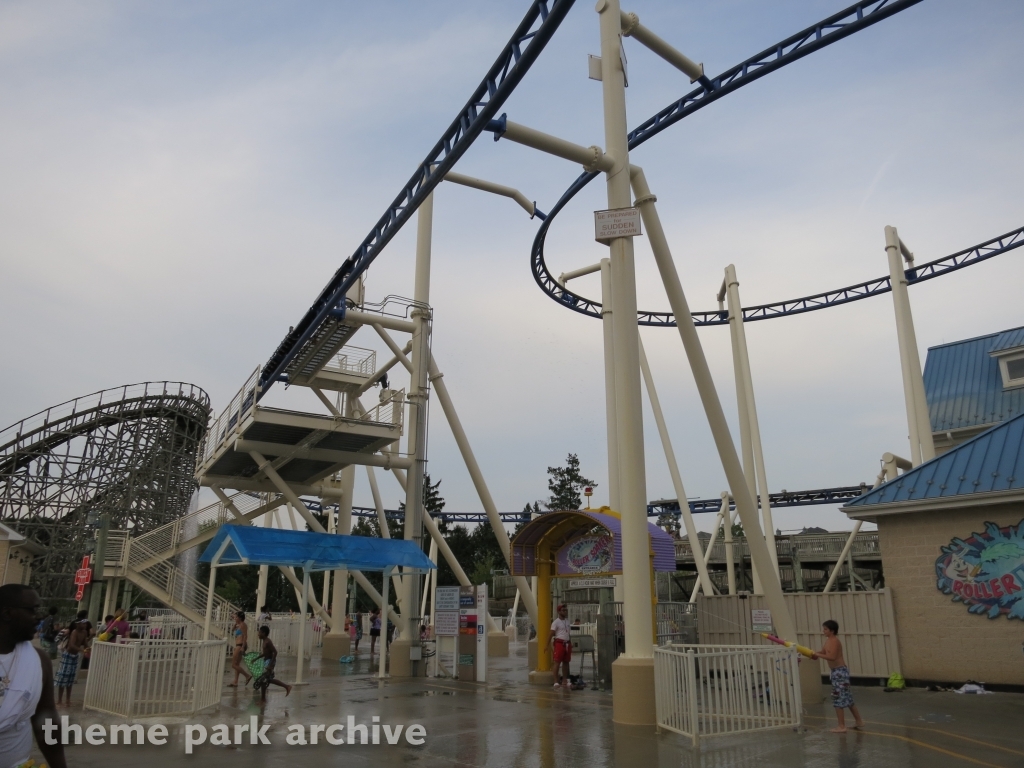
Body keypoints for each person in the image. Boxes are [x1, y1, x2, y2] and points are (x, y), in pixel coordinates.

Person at [0, 584, 67, 768]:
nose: (38, 617)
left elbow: (46, 722)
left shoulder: (39, 660)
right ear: (7, 613)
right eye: (32, 610)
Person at [812, 619, 864, 733]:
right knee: (848, 698)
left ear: (832, 630)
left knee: (838, 698)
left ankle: (841, 726)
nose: (823, 631)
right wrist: (814, 653)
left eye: (825, 629)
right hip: (836, 672)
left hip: (840, 672)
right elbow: (823, 652)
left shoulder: (834, 641)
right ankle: (859, 721)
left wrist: (819, 655)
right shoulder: (828, 641)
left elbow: (832, 657)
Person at [54, 617, 87, 706]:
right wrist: (81, 650)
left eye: (85, 623)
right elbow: (71, 645)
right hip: (67, 656)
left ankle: (68, 699)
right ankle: (60, 700)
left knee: (70, 679)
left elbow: (85, 643)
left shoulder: (84, 633)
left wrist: (88, 647)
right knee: (62, 678)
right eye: (83, 623)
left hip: (75, 656)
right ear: (78, 624)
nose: (85, 625)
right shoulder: (74, 632)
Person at [256, 626, 291, 701]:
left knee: (264, 680)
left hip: (269, 661)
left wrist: (270, 664)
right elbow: (266, 653)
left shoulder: (268, 642)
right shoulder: (264, 641)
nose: (258, 634)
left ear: (264, 633)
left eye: (259, 632)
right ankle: (286, 687)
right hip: (267, 661)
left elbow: (275, 652)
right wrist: (256, 658)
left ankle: (263, 700)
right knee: (267, 680)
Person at [550, 604, 572, 689]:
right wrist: (546, 644)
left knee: (566, 662)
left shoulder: (567, 621)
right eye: (563, 610)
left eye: (566, 610)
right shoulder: (556, 622)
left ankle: (564, 680)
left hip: (567, 643)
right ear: (559, 612)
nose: (565, 612)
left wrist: (570, 642)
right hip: (559, 643)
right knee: (557, 662)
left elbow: (568, 633)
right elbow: (551, 633)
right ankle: (555, 681)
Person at [228, 611, 252, 687]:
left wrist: (242, 647)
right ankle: (235, 681)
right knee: (237, 664)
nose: (235, 618)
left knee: (233, 665)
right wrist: (235, 622)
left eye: (236, 617)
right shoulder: (238, 625)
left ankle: (247, 676)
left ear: (240, 618)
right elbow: (232, 630)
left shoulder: (243, 625)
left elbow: (245, 636)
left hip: (241, 645)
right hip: (238, 644)